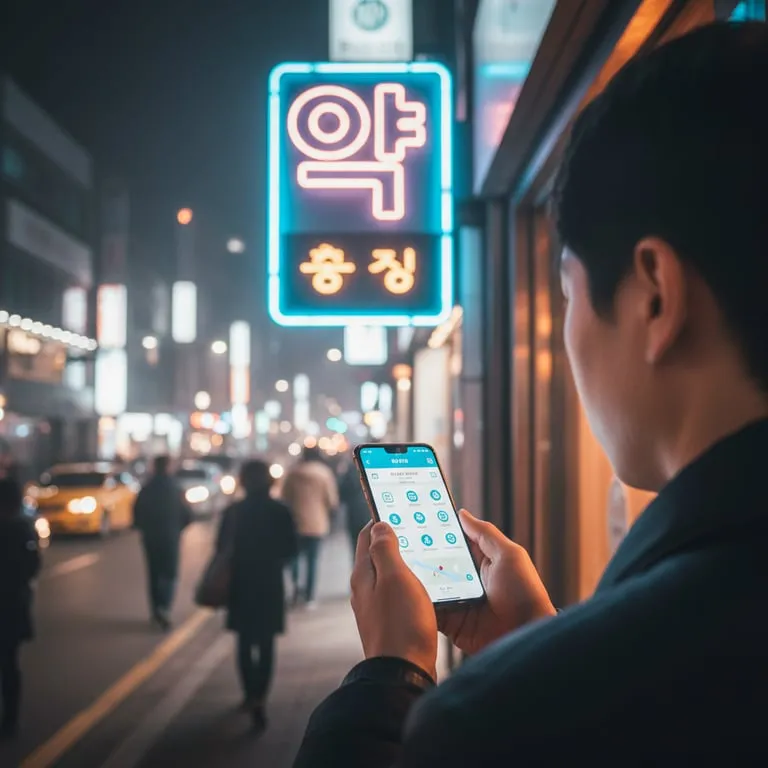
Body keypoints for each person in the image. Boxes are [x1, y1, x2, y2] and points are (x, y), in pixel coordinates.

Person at [294, 22, 768, 766]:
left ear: (653, 296)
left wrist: (391, 676)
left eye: (568, 291)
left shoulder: (501, 722)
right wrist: (540, 645)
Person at [216, 460, 297, 731]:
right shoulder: (280, 510)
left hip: (241, 583)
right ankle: (261, 698)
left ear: (243, 481)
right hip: (269, 583)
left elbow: (220, 548)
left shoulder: (234, 512)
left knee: (244, 641)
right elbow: (291, 548)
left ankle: (249, 694)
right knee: (266, 643)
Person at [0, 478, 41, 739]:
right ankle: (10, 720)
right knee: (8, 664)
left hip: (10, 603)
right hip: (12, 605)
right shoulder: (23, 530)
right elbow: (33, 565)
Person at [133, 456, 192, 630]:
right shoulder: (175, 488)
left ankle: (156, 610)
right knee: (170, 573)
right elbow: (187, 514)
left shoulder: (147, 488)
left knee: (154, 573)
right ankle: (164, 607)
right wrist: (178, 528)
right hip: (170, 537)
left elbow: (137, 513)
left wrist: (143, 528)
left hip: (151, 538)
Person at [281, 446, 338, 609]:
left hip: (295, 523)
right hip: (317, 524)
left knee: (294, 559)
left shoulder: (293, 473)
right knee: (312, 560)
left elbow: (285, 497)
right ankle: (310, 597)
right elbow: (332, 500)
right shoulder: (324, 473)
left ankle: (295, 589)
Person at [337, 453, 371, 557]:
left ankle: (357, 569)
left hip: (354, 513)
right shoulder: (373, 469)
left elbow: (342, 493)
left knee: (356, 547)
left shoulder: (351, 470)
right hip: (369, 513)